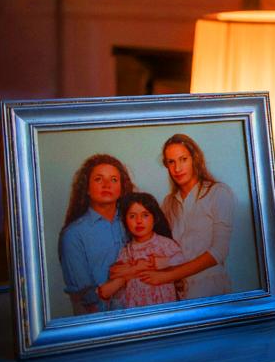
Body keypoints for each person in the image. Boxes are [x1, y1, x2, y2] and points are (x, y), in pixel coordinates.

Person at [135, 134, 235, 299]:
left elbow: (219, 252)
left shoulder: (218, 193)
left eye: (183, 159)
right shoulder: (168, 203)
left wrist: (169, 275)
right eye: (171, 162)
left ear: (195, 159)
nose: (177, 168)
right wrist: (129, 268)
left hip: (212, 289)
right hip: (179, 291)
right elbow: (155, 243)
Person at [58, 154, 134, 314]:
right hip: (103, 322)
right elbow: (84, 297)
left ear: (122, 188)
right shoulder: (73, 235)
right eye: (99, 179)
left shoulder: (135, 221)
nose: (107, 185)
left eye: (114, 180)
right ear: (86, 188)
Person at [100, 192, 185, 308]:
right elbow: (117, 274)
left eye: (145, 215)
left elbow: (182, 261)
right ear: (125, 221)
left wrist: (160, 263)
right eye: (132, 216)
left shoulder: (165, 244)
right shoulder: (126, 251)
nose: (139, 221)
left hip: (163, 304)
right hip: (136, 308)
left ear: (155, 219)